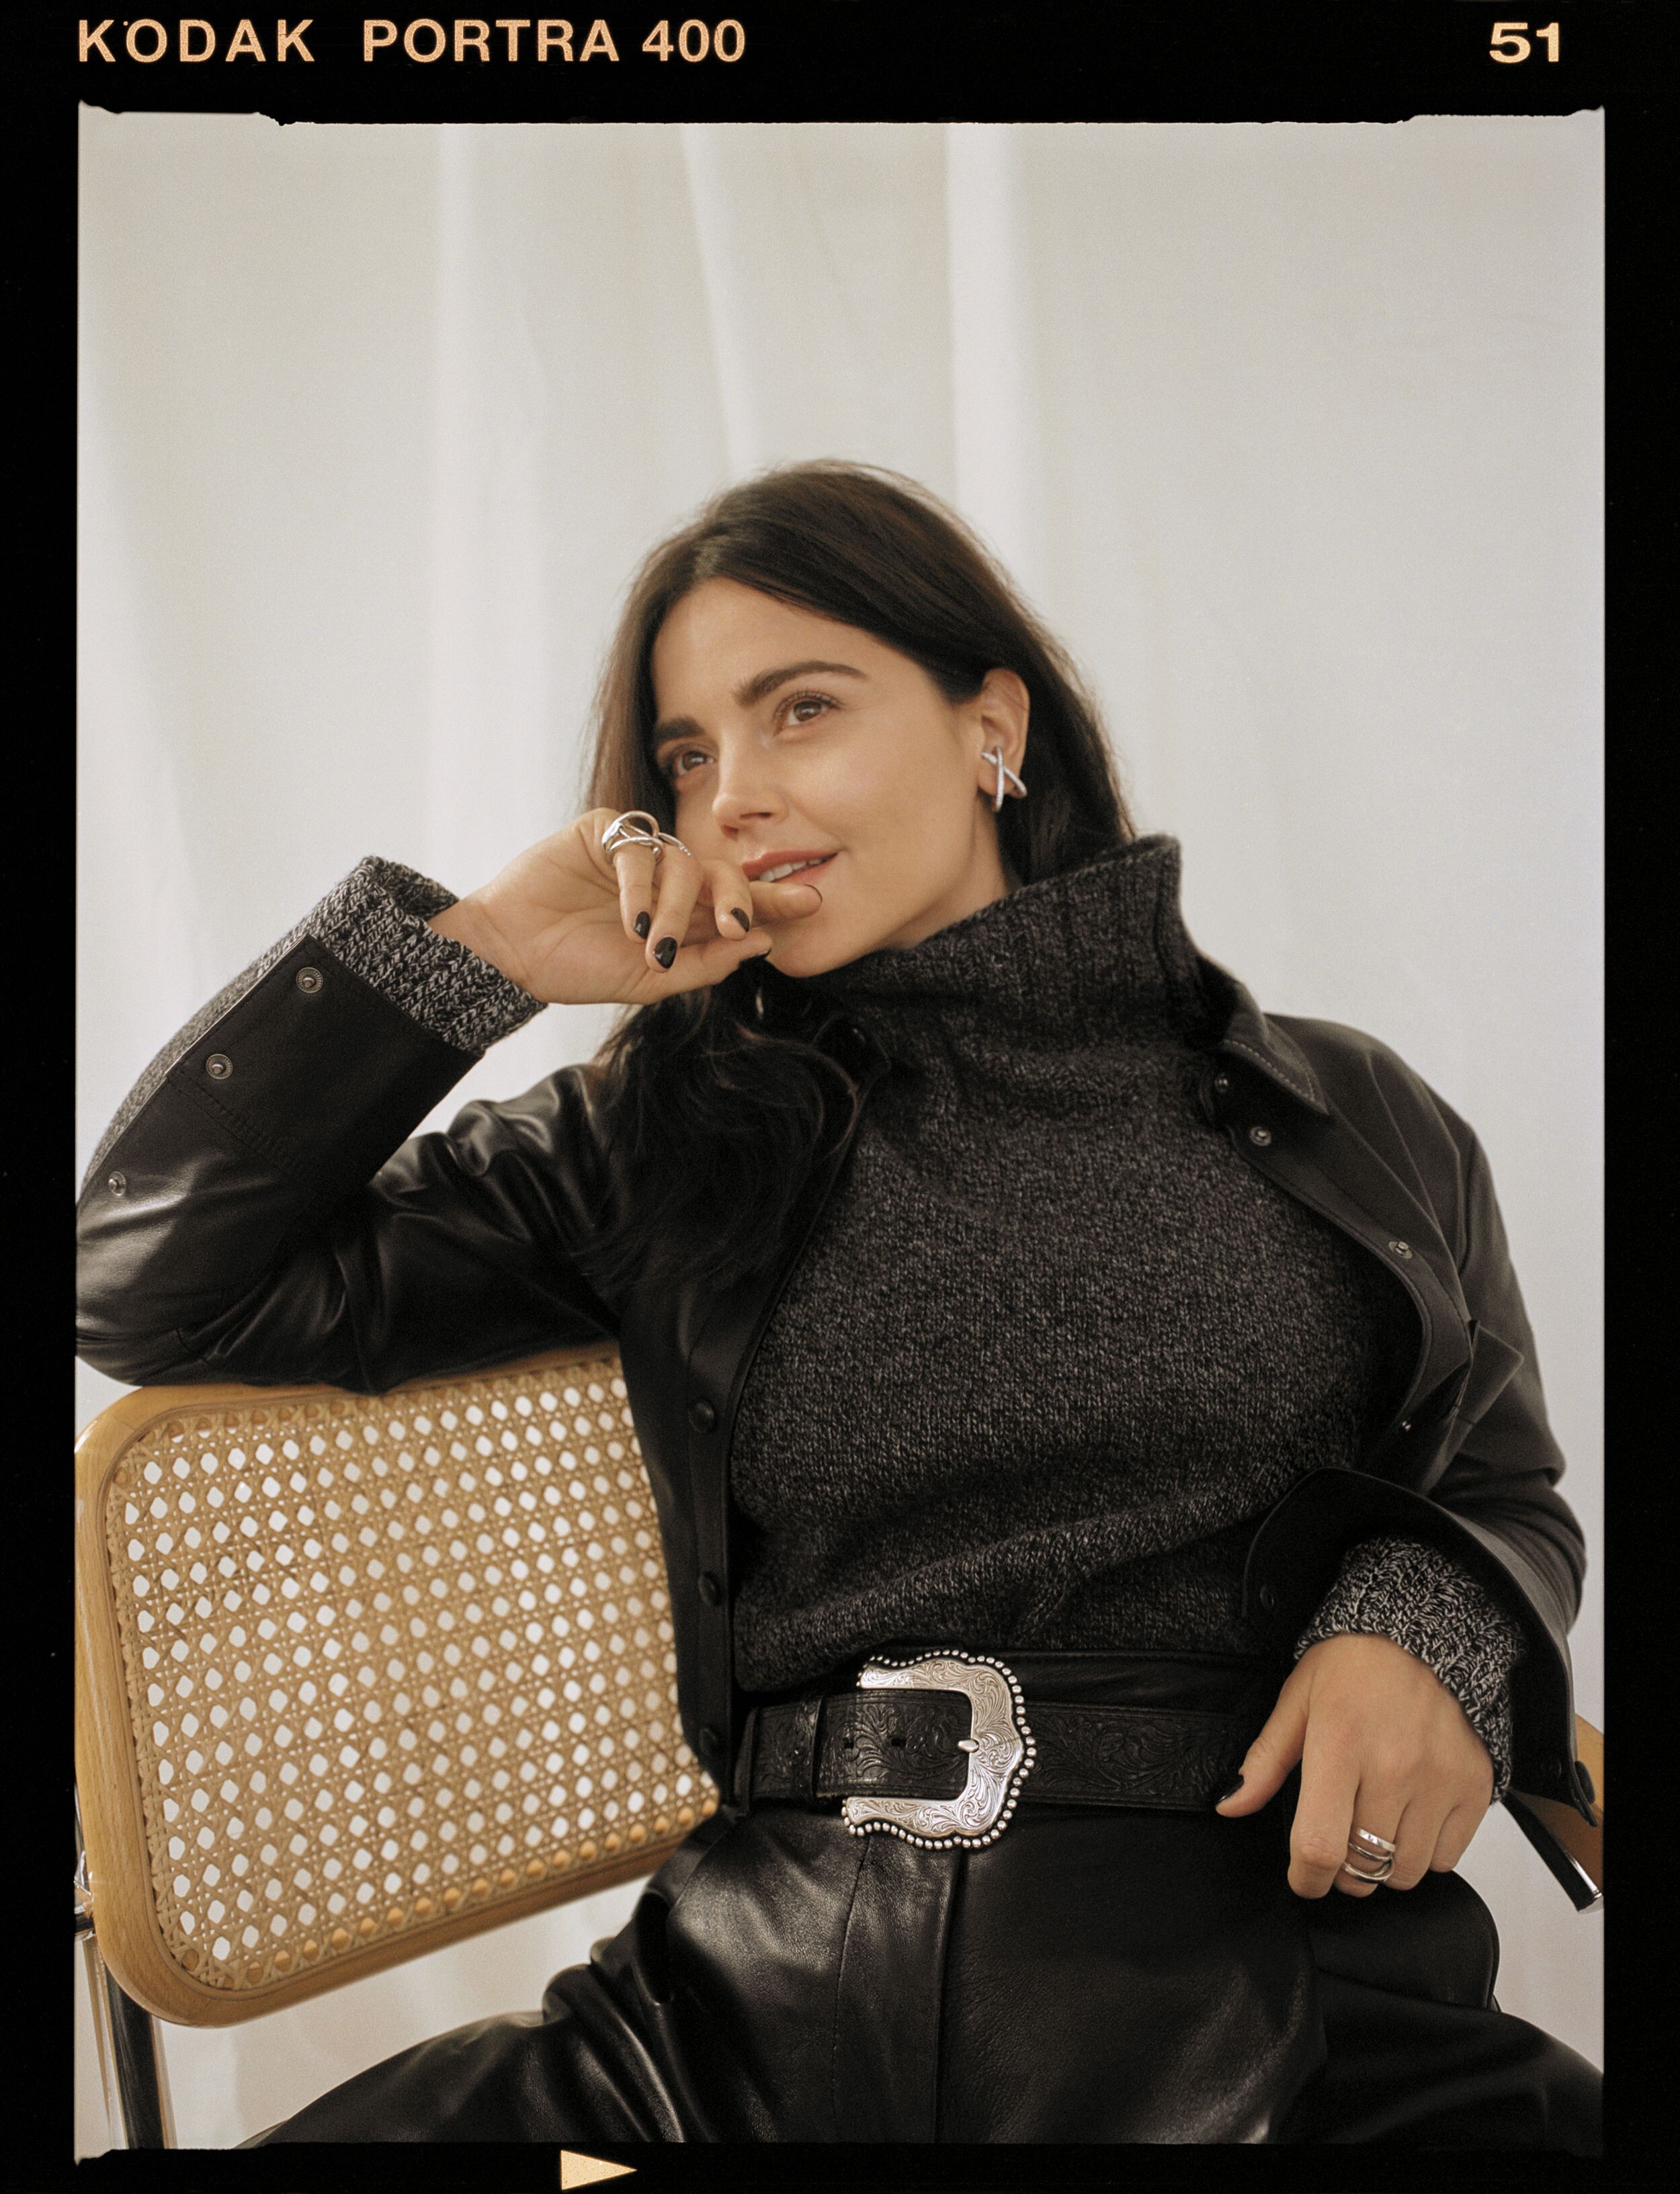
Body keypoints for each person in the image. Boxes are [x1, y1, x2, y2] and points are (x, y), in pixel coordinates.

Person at [77, 460, 1601, 2148]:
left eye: (799, 709)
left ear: (990, 726)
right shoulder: (659, 1138)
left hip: (1288, 2025)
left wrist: (1422, 1621)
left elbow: (1497, 1483)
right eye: (686, 756)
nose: (732, 795)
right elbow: (146, 1287)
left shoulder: (1347, 1111)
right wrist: (483, 950)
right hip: (725, 2049)